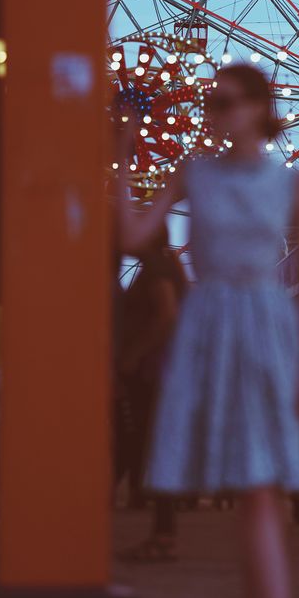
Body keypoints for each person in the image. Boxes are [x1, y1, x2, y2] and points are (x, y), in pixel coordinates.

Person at [116, 63, 299, 598]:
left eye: (229, 102)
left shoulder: (295, 186)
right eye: (214, 104)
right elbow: (134, 232)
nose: (220, 114)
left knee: (261, 493)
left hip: (269, 333)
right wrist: (119, 153)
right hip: (214, 333)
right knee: (256, 492)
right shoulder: (192, 174)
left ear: (258, 107)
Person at [117, 226, 187, 562]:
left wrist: (133, 353)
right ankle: (163, 532)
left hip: (153, 372)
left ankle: (163, 534)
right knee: (150, 448)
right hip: (163, 371)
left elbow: (167, 315)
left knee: (144, 445)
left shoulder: (158, 269)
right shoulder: (166, 266)